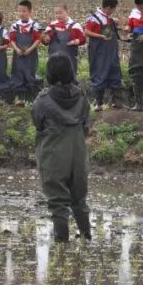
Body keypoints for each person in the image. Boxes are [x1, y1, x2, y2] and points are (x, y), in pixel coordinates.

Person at [32, 55, 91, 242]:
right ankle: (86, 238)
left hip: (53, 154)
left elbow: (38, 123)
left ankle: (61, 249)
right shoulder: (82, 97)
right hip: (79, 155)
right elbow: (86, 126)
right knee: (79, 201)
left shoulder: (42, 101)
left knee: (58, 203)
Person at [84, 0, 123, 111]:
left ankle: (117, 102)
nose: (114, 11)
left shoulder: (108, 18)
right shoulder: (94, 18)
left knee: (114, 73)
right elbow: (86, 31)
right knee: (99, 74)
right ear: (109, 7)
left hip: (111, 53)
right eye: (114, 8)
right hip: (99, 53)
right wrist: (101, 36)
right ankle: (98, 103)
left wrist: (117, 25)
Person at [9, 0, 44, 104]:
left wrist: (30, 49)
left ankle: (32, 99)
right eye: (19, 11)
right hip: (18, 54)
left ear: (30, 12)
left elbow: (38, 39)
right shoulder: (15, 26)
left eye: (24, 11)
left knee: (30, 73)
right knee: (18, 73)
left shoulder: (35, 25)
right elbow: (12, 40)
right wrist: (16, 49)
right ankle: (20, 98)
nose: (21, 13)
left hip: (31, 54)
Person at [43, 4, 86, 77]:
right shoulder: (51, 26)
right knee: (54, 76)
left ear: (67, 11)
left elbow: (83, 39)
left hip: (70, 60)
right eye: (56, 13)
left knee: (69, 77)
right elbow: (45, 41)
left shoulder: (75, 26)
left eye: (60, 13)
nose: (58, 15)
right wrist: (45, 39)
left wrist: (76, 41)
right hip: (54, 59)